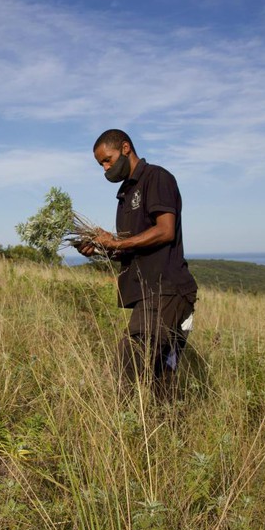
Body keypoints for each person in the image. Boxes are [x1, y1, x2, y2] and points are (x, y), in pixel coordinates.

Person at [77, 129, 198, 396]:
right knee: (161, 381)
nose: (105, 168)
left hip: (166, 290)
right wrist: (99, 249)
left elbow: (165, 230)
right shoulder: (125, 194)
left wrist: (117, 242)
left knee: (129, 365)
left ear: (125, 147)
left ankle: (125, 432)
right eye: (101, 165)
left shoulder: (156, 177)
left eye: (107, 160)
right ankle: (164, 433)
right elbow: (131, 248)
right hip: (148, 293)